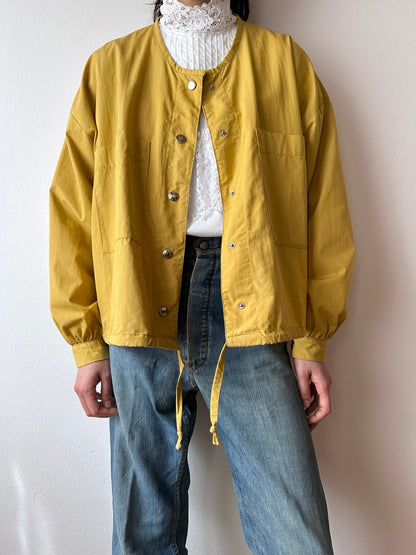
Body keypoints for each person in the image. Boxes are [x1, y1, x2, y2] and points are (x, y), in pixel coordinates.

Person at [48, 0, 355, 552]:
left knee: (297, 537)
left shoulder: (285, 64)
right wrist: (86, 343)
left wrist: (313, 339)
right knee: (143, 535)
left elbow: (324, 207)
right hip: (136, 305)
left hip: (257, 311)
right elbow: (72, 213)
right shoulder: (110, 69)